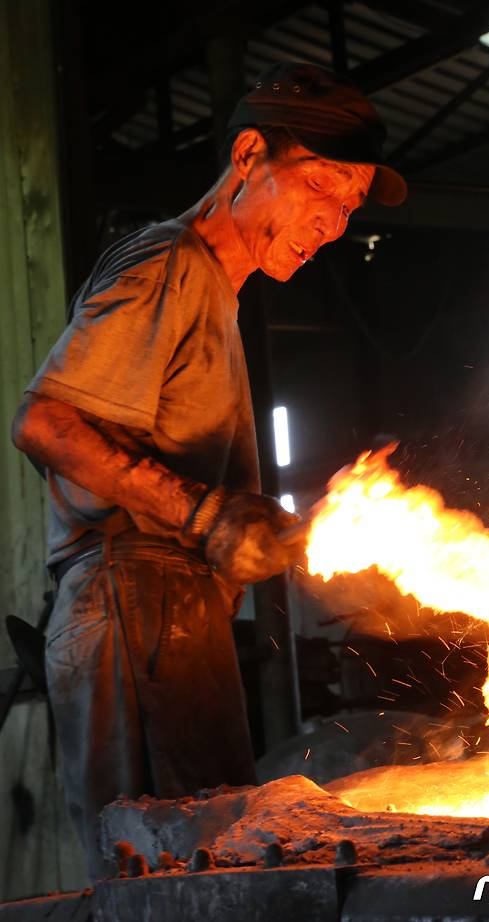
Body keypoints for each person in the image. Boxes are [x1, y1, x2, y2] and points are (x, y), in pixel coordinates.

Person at [11, 61, 406, 878]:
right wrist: (205, 515)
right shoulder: (169, 263)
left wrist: (255, 522)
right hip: (135, 599)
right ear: (250, 153)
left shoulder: (217, 295)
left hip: (164, 607)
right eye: (321, 187)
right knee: (174, 874)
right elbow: (43, 421)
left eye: (349, 208)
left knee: (201, 868)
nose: (331, 224)